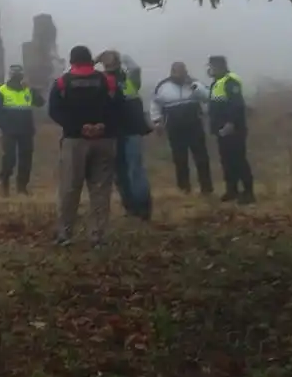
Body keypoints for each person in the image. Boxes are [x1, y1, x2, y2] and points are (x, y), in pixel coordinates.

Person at [48, 44, 120, 247]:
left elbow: (54, 111)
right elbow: (119, 108)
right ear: (90, 60)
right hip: (104, 140)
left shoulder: (62, 82)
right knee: (100, 190)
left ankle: (65, 234)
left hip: (75, 141)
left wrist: (80, 128)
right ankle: (98, 237)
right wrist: (103, 126)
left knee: (69, 188)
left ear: (71, 61)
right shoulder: (107, 80)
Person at [98, 50, 152, 221]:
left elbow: (135, 67)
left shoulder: (129, 79)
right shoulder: (99, 80)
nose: (108, 63)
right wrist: (93, 61)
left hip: (131, 131)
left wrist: (117, 54)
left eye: (111, 60)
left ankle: (143, 208)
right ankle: (129, 207)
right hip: (111, 132)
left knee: (135, 169)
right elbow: (75, 76)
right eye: (105, 60)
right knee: (119, 172)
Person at [150, 62, 214, 195]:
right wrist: (157, 122)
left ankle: (206, 188)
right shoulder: (163, 86)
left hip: (194, 125)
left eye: (182, 71)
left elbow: (207, 97)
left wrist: (194, 86)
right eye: (176, 71)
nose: (179, 74)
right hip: (174, 127)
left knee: (201, 157)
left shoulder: (194, 83)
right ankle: (184, 188)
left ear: (186, 71)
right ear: (172, 72)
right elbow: (155, 104)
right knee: (180, 159)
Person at [206, 55, 255, 204]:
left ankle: (248, 193)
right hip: (221, 130)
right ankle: (231, 190)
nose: (209, 69)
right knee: (226, 161)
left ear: (220, 66)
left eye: (211, 66)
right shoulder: (216, 83)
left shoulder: (230, 82)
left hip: (233, 130)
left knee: (238, 160)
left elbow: (236, 105)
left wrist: (231, 123)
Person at [0, 64, 44, 196]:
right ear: (11, 76)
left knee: (26, 160)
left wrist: (31, 88)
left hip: (26, 130)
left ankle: (22, 188)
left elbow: (40, 102)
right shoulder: (2, 90)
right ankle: (4, 183)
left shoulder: (27, 90)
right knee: (9, 159)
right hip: (9, 130)